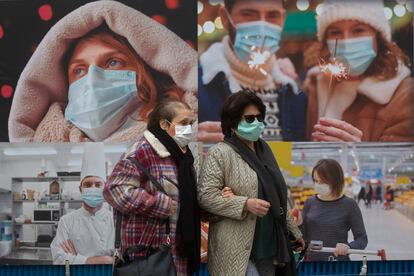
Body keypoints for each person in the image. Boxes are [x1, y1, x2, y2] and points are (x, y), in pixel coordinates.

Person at [8, 1, 196, 142]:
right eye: (79, 70)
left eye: (113, 62)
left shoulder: (186, 130)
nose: (93, 79)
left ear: (146, 71)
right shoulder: (44, 148)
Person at [198, 91, 304, 276]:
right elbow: (205, 197)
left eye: (259, 117)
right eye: (249, 118)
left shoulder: (265, 150)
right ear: (232, 123)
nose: (256, 123)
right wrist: (245, 204)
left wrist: (295, 232)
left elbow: (278, 197)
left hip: (268, 246)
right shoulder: (220, 153)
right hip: (235, 248)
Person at [104, 100, 200, 276]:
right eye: (183, 123)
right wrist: (159, 204)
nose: (189, 129)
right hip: (148, 256)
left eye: (191, 123)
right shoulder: (143, 151)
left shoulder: (183, 158)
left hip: (177, 255)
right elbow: (114, 190)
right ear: (164, 124)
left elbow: (186, 201)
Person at [302, 0, 413, 142]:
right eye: (335, 32)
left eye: (358, 30)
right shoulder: (312, 86)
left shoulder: (405, 96)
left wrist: (359, 156)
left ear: (378, 38)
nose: (346, 41)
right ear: (324, 40)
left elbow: (401, 161)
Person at [198, 0, 307, 143]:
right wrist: (190, 142)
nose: (262, 26)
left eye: (273, 15)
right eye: (248, 14)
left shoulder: (293, 91)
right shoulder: (197, 84)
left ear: (283, 19)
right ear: (225, 18)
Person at [51, 143, 114, 264]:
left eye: (98, 184)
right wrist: (105, 259)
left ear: (105, 188)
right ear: (80, 189)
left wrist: (76, 259)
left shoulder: (115, 220)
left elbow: (125, 258)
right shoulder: (67, 221)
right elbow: (58, 259)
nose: (93, 188)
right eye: (87, 184)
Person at [299, 159, 368, 261]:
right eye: (316, 181)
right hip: (311, 263)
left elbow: (362, 239)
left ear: (336, 181)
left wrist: (348, 246)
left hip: (336, 263)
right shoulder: (310, 202)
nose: (318, 185)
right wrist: (299, 224)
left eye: (322, 181)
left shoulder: (349, 204)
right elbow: (303, 237)